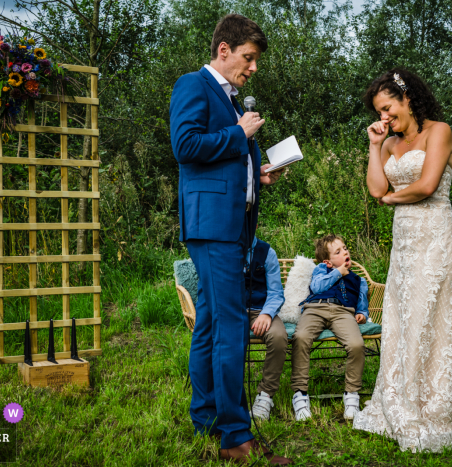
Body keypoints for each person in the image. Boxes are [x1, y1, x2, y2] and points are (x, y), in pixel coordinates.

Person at [169, 14, 290, 465]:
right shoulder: (193, 86)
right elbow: (185, 146)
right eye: (248, 57)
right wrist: (239, 134)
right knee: (232, 326)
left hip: (229, 225)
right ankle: (236, 438)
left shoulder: (230, 99)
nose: (253, 67)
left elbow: (220, 160)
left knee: (209, 325)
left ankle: (205, 418)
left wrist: (257, 175)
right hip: (213, 227)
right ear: (224, 50)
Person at [352, 68, 452, 453]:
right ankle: (404, 398)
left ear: (407, 97)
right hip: (404, 243)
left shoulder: (439, 131)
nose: (384, 118)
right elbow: (376, 187)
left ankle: (436, 406)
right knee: (403, 316)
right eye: (378, 112)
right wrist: (375, 146)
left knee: (433, 315)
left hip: (436, 235)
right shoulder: (389, 144)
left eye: (387, 109)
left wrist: (392, 199)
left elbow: (426, 186)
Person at [291, 235, 369, 421]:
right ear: (328, 261)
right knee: (301, 337)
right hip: (315, 309)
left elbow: (362, 302)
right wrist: (337, 272)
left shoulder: (359, 280)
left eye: (345, 248)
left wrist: (362, 313)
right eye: (338, 251)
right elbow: (317, 287)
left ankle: (351, 395)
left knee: (357, 345)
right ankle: (300, 394)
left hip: (343, 312)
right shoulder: (321, 269)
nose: (345, 252)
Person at [245, 235, 287, 420]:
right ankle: (232, 396)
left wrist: (266, 314)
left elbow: (276, 292)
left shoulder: (267, 252)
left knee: (278, 337)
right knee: (227, 339)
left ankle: (265, 396)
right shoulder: (226, 249)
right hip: (233, 309)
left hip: (261, 309)